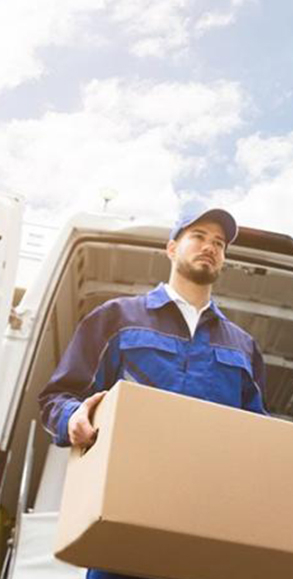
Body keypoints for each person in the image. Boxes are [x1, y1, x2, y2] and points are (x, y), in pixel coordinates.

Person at [39, 207, 267, 579]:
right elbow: (57, 397)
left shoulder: (243, 347)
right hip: (121, 523)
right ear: (171, 248)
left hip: (205, 531)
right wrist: (73, 418)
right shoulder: (117, 318)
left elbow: (258, 435)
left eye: (219, 243)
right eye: (198, 236)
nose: (210, 247)